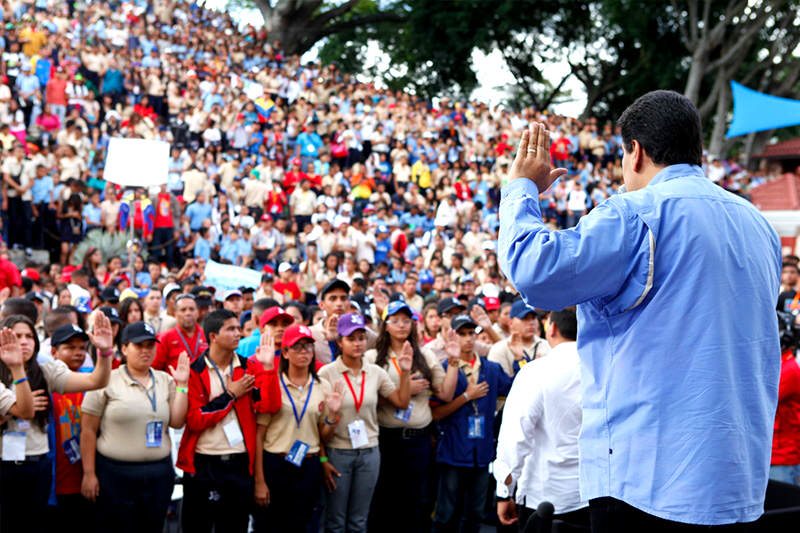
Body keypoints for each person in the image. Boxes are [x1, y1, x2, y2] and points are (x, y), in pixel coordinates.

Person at [498, 95, 781, 528]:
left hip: (648, 485)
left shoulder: (636, 213)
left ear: (637, 152)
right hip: (738, 485)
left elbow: (535, 272)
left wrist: (521, 189)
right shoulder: (757, 224)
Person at [0, 314, 113, 533]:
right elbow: (25, 410)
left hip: (37, 464)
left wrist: (105, 353)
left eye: (29, 336)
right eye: (16, 336)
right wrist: (16, 371)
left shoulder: (45, 370)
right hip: (4, 465)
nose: (23, 341)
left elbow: (96, 380)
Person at [177, 309, 282, 533]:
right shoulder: (195, 371)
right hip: (203, 464)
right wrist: (230, 396)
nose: (238, 334)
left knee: (235, 527)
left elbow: (270, 407)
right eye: (231, 329)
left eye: (238, 328)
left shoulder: (249, 367)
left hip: (239, 464)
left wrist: (269, 369)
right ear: (213, 336)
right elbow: (195, 419)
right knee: (197, 527)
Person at [80, 322, 190, 532]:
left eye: (150, 345)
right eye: (139, 345)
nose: (146, 350)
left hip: (158, 472)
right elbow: (88, 430)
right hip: (115, 473)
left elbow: (177, 422)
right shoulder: (106, 380)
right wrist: (89, 473)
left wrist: (182, 385)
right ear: (124, 348)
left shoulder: (165, 379)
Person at [366, 300, 459, 531]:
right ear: (385, 325)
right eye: (395, 320)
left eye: (406, 320)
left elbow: (446, 394)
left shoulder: (425, 354)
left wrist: (455, 360)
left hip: (418, 437)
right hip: (386, 437)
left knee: (416, 498)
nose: (401, 325)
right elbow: (365, 397)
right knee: (384, 497)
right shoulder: (372, 356)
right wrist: (403, 391)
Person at [494, 308, 590, 529]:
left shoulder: (535, 372)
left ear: (551, 328)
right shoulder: (602, 369)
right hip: (594, 494)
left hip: (545, 497)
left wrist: (504, 492)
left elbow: (515, 437)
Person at [318, 313, 413, 533]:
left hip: (369, 451)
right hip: (338, 452)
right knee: (336, 521)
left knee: (359, 520)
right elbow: (317, 426)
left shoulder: (375, 372)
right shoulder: (327, 373)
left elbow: (402, 401)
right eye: (351, 339)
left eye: (361, 338)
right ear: (340, 342)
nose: (358, 343)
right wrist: (323, 458)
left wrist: (406, 372)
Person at [253, 324, 343, 532]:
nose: (304, 352)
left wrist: (332, 415)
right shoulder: (273, 383)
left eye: (308, 347)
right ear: (284, 352)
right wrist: (259, 480)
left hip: (308, 464)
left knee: (303, 524)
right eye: (298, 347)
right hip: (276, 463)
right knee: (272, 524)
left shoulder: (322, 386)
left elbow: (323, 436)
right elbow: (259, 435)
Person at [430, 314, 512, 533]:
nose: (467, 338)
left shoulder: (491, 368)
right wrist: (466, 397)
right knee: (446, 513)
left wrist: (522, 361)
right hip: (453, 448)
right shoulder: (444, 367)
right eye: (461, 333)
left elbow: (515, 388)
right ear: (452, 336)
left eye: (471, 333)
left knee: (476, 513)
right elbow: (436, 413)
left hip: (481, 450)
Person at [488, 299, 550, 377]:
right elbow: (502, 384)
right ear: (510, 323)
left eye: (533, 318)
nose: (531, 322)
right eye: (525, 318)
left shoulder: (547, 345)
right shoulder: (499, 349)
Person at [153, 294, 208, 372]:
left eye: (191, 309)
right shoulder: (165, 338)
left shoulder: (207, 335)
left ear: (197, 312)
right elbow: (155, 369)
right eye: (183, 310)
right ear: (175, 314)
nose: (188, 313)